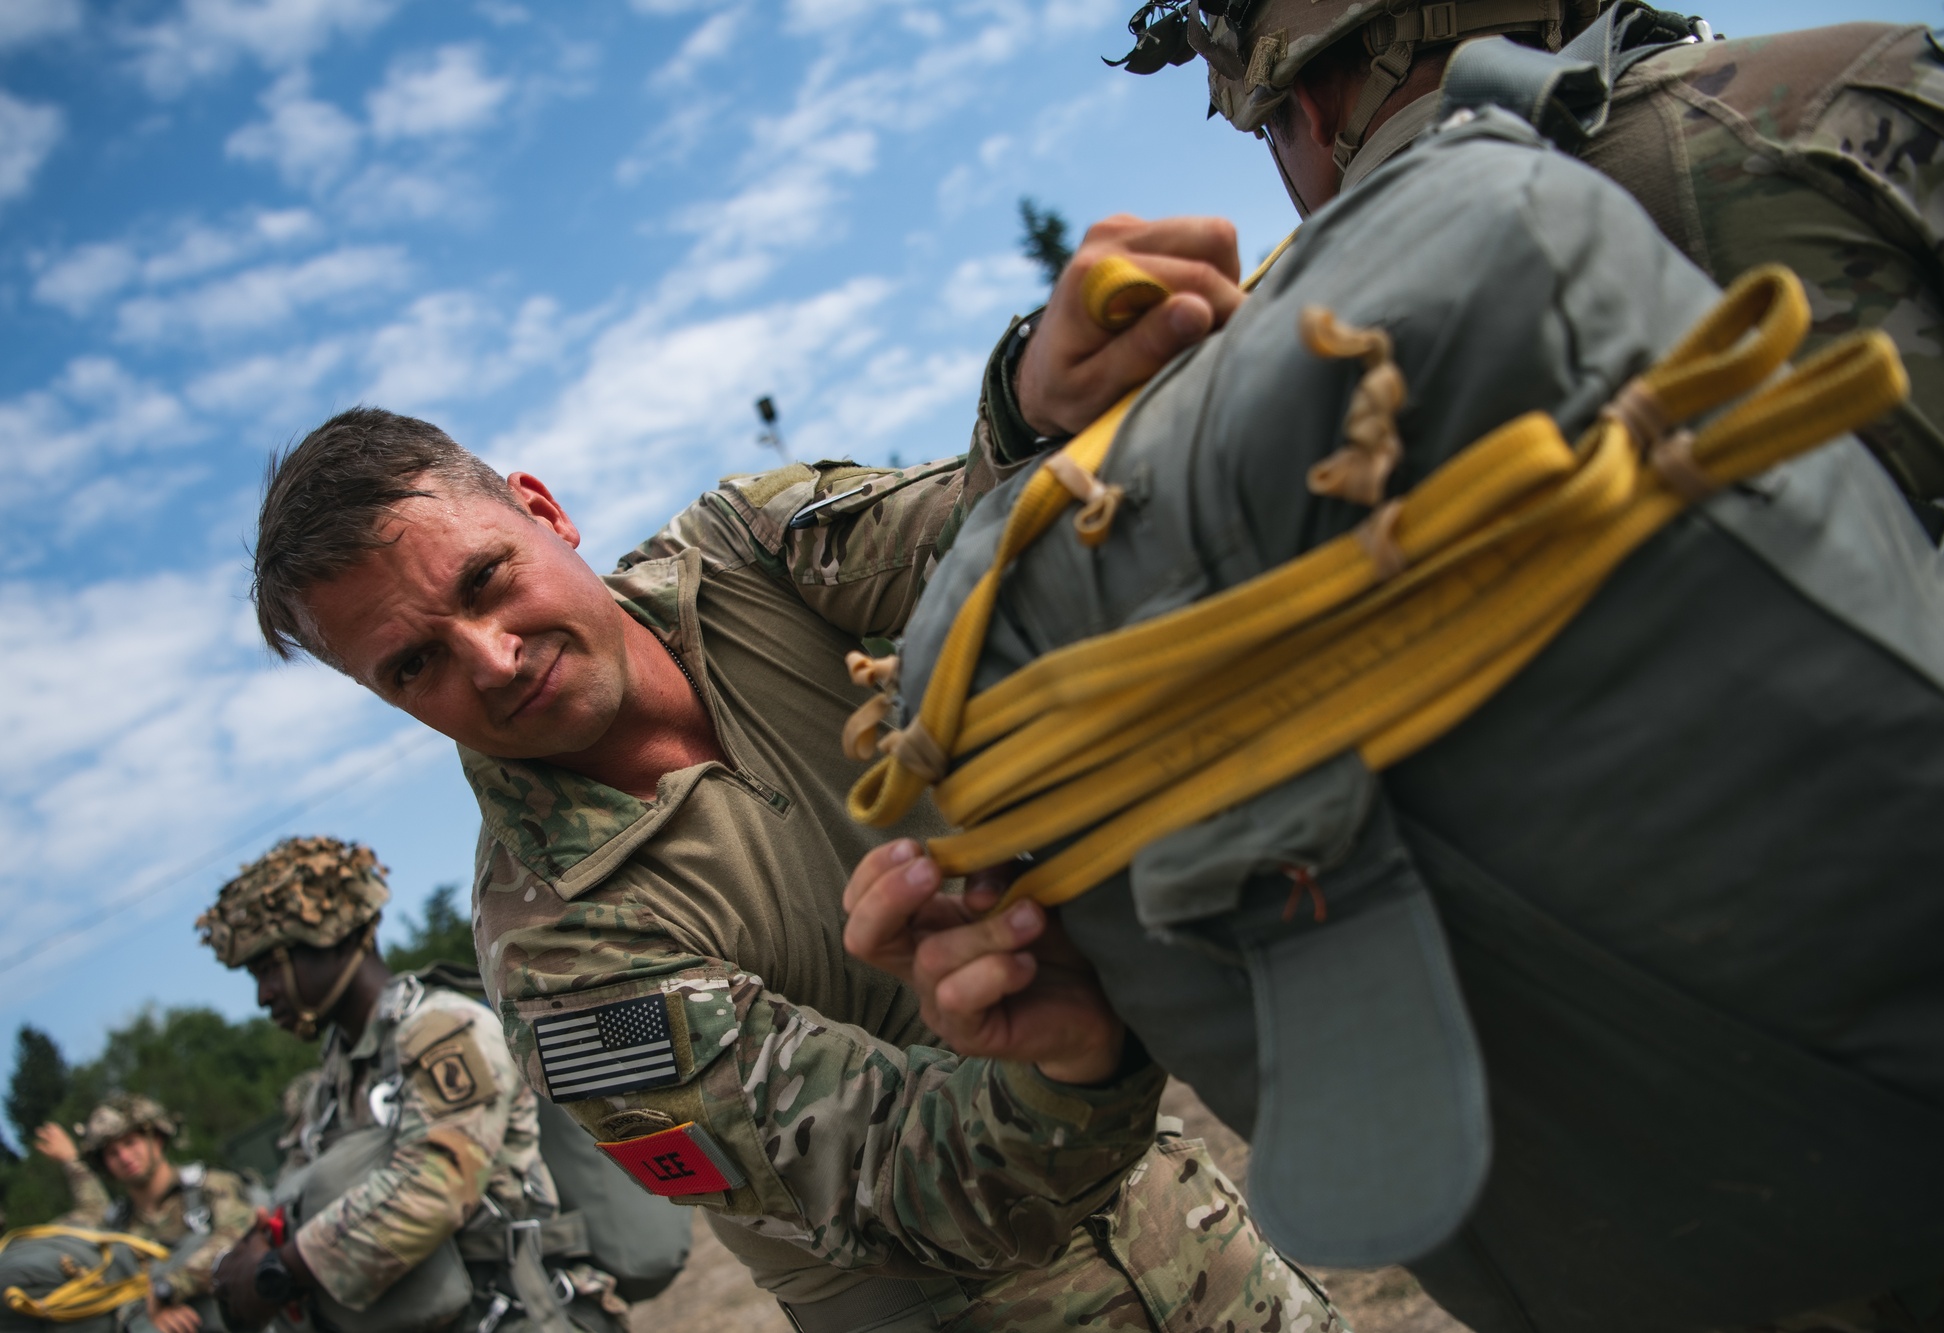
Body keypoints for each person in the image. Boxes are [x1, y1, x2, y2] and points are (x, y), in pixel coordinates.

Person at [842, 108, 1944, 1333]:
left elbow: (935, 552)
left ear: (1297, 100)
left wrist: (1036, 409)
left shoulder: (747, 547)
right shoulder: (1799, 106)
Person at [243, 408, 1341, 1333]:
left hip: (1202, 1244)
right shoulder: (557, 955)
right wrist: (1077, 1055)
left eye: (487, 579)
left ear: (543, 510)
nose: (492, 659)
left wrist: (1031, 397)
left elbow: (999, 531)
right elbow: (912, 1183)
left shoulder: (745, 553)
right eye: (415, 663)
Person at [1006, 2, 1944, 576]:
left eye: (1264, 129)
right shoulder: (1843, 98)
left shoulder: (1223, 380)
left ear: (1306, 101)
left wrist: (1019, 392)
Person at [199, 836, 624, 1333]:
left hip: (512, 1312)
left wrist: (280, 1271)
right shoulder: (329, 1085)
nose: (263, 995)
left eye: (271, 967)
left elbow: (436, 1185)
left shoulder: (441, 1028)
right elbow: (294, 1191)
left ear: (335, 936)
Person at [31, 1094, 254, 1333]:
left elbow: (238, 1238)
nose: (125, 1158)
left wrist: (167, 1290)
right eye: (112, 1153)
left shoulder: (210, 1187)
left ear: (156, 1138)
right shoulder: (118, 1229)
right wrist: (145, 1315)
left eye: (130, 1142)